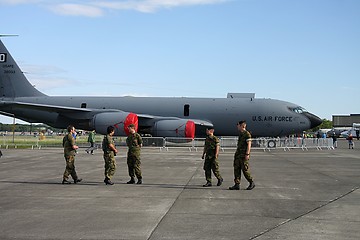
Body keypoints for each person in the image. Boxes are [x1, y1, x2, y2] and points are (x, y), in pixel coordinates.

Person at [229, 120, 255, 190]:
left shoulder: (247, 134)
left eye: (238, 125)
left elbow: (249, 145)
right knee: (236, 169)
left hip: (243, 155)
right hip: (238, 155)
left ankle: (251, 182)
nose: (237, 126)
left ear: (242, 126)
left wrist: (247, 154)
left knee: (245, 170)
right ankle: (237, 184)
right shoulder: (240, 134)